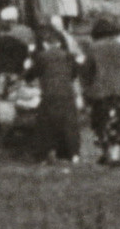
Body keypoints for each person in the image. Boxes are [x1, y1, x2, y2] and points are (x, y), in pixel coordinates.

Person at [86, 18, 120, 166]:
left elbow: (87, 69)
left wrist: (87, 87)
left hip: (100, 89)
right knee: (118, 122)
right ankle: (114, 155)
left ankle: (105, 154)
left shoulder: (93, 48)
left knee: (101, 121)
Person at [32, 20, 83, 161]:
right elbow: (74, 74)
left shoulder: (41, 56)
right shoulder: (69, 56)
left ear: (46, 44)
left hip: (49, 92)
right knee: (70, 124)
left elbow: (32, 74)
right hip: (67, 92)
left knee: (46, 123)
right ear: (60, 43)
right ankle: (73, 154)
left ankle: (46, 154)